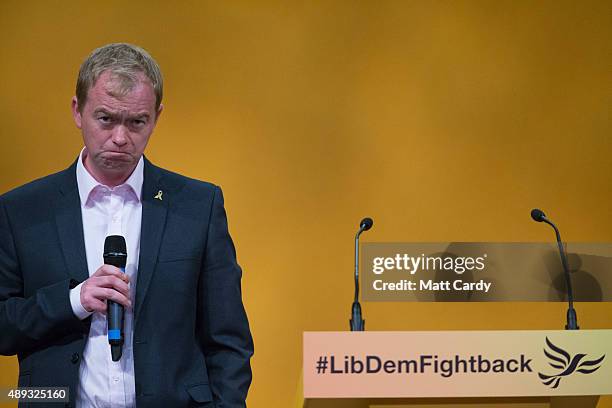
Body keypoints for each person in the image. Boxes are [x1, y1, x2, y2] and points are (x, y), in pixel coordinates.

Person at [0, 43, 253, 407]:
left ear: (157, 116)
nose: (120, 138)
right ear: (77, 111)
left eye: (137, 122)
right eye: (106, 119)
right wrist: (74, 300)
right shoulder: (21, 210)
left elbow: (229, 340)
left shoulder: (199, 206)